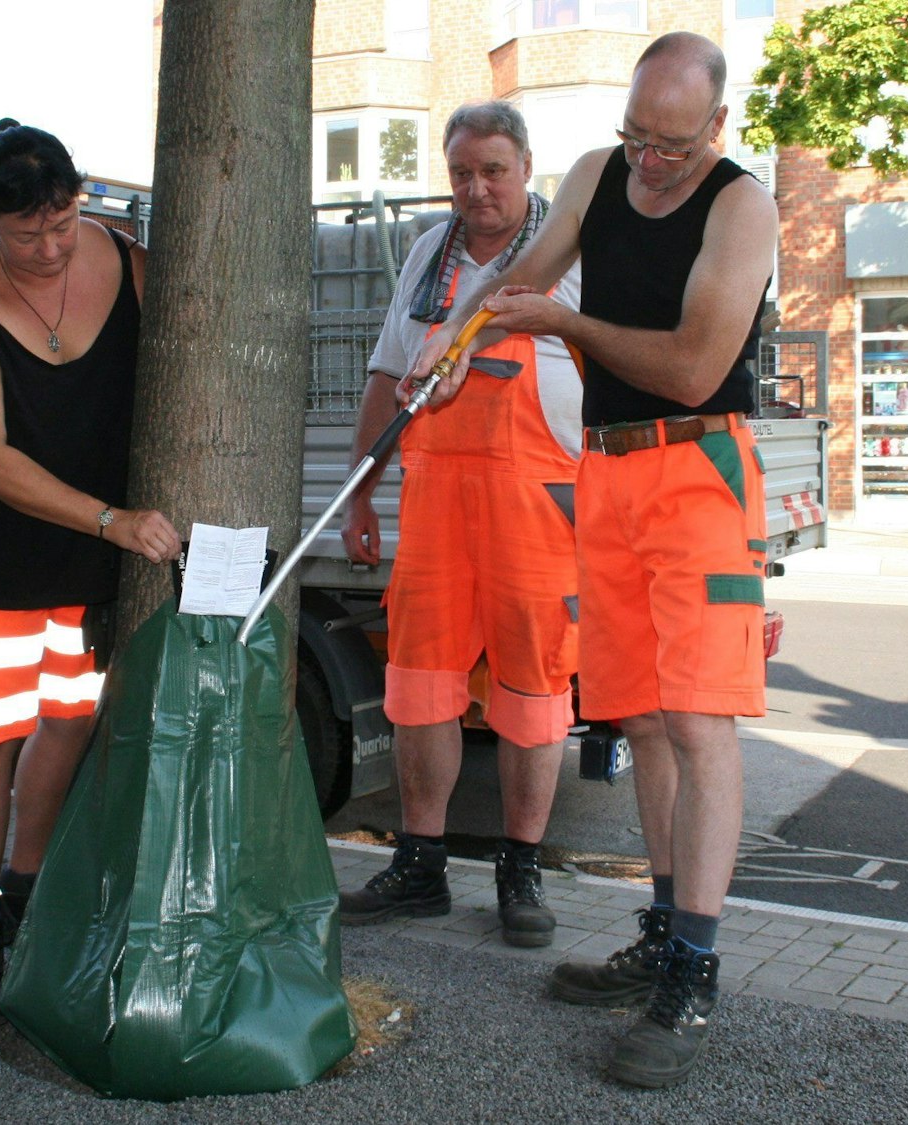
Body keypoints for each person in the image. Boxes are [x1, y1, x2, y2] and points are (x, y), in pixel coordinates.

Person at [407, 32, 777, 1088]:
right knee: (646, 719)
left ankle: (693, 978)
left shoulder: (740, 207)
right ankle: (663, 933)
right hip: (605, 475)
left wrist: (565, 322)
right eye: (634, 137)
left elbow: (694, 362)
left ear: (713, 126)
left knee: (699, 722)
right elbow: (524, 268)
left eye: (670, 143)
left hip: (699, 467)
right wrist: (460, 330)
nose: (647, 160)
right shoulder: (594, 174)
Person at [0, 119, 181, 1027]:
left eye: (61, 224)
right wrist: (113, 519)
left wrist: (113, 526)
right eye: (25, 235)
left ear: (79, 198)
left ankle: (24, 890)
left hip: (85, 553)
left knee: (69, 721)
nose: (49, 249)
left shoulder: (127, 262)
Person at [335, 102, 583, 949]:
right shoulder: (425, 256)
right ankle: (420, 865)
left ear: (526, 168)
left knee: (533, 695)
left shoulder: (573, 257)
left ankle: (521, 871)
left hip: (537, 509)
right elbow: (385, 374)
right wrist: (362, 490)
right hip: (435, 505)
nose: (477, 189)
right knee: (419, 689)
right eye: (461, 173)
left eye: (494, 171)